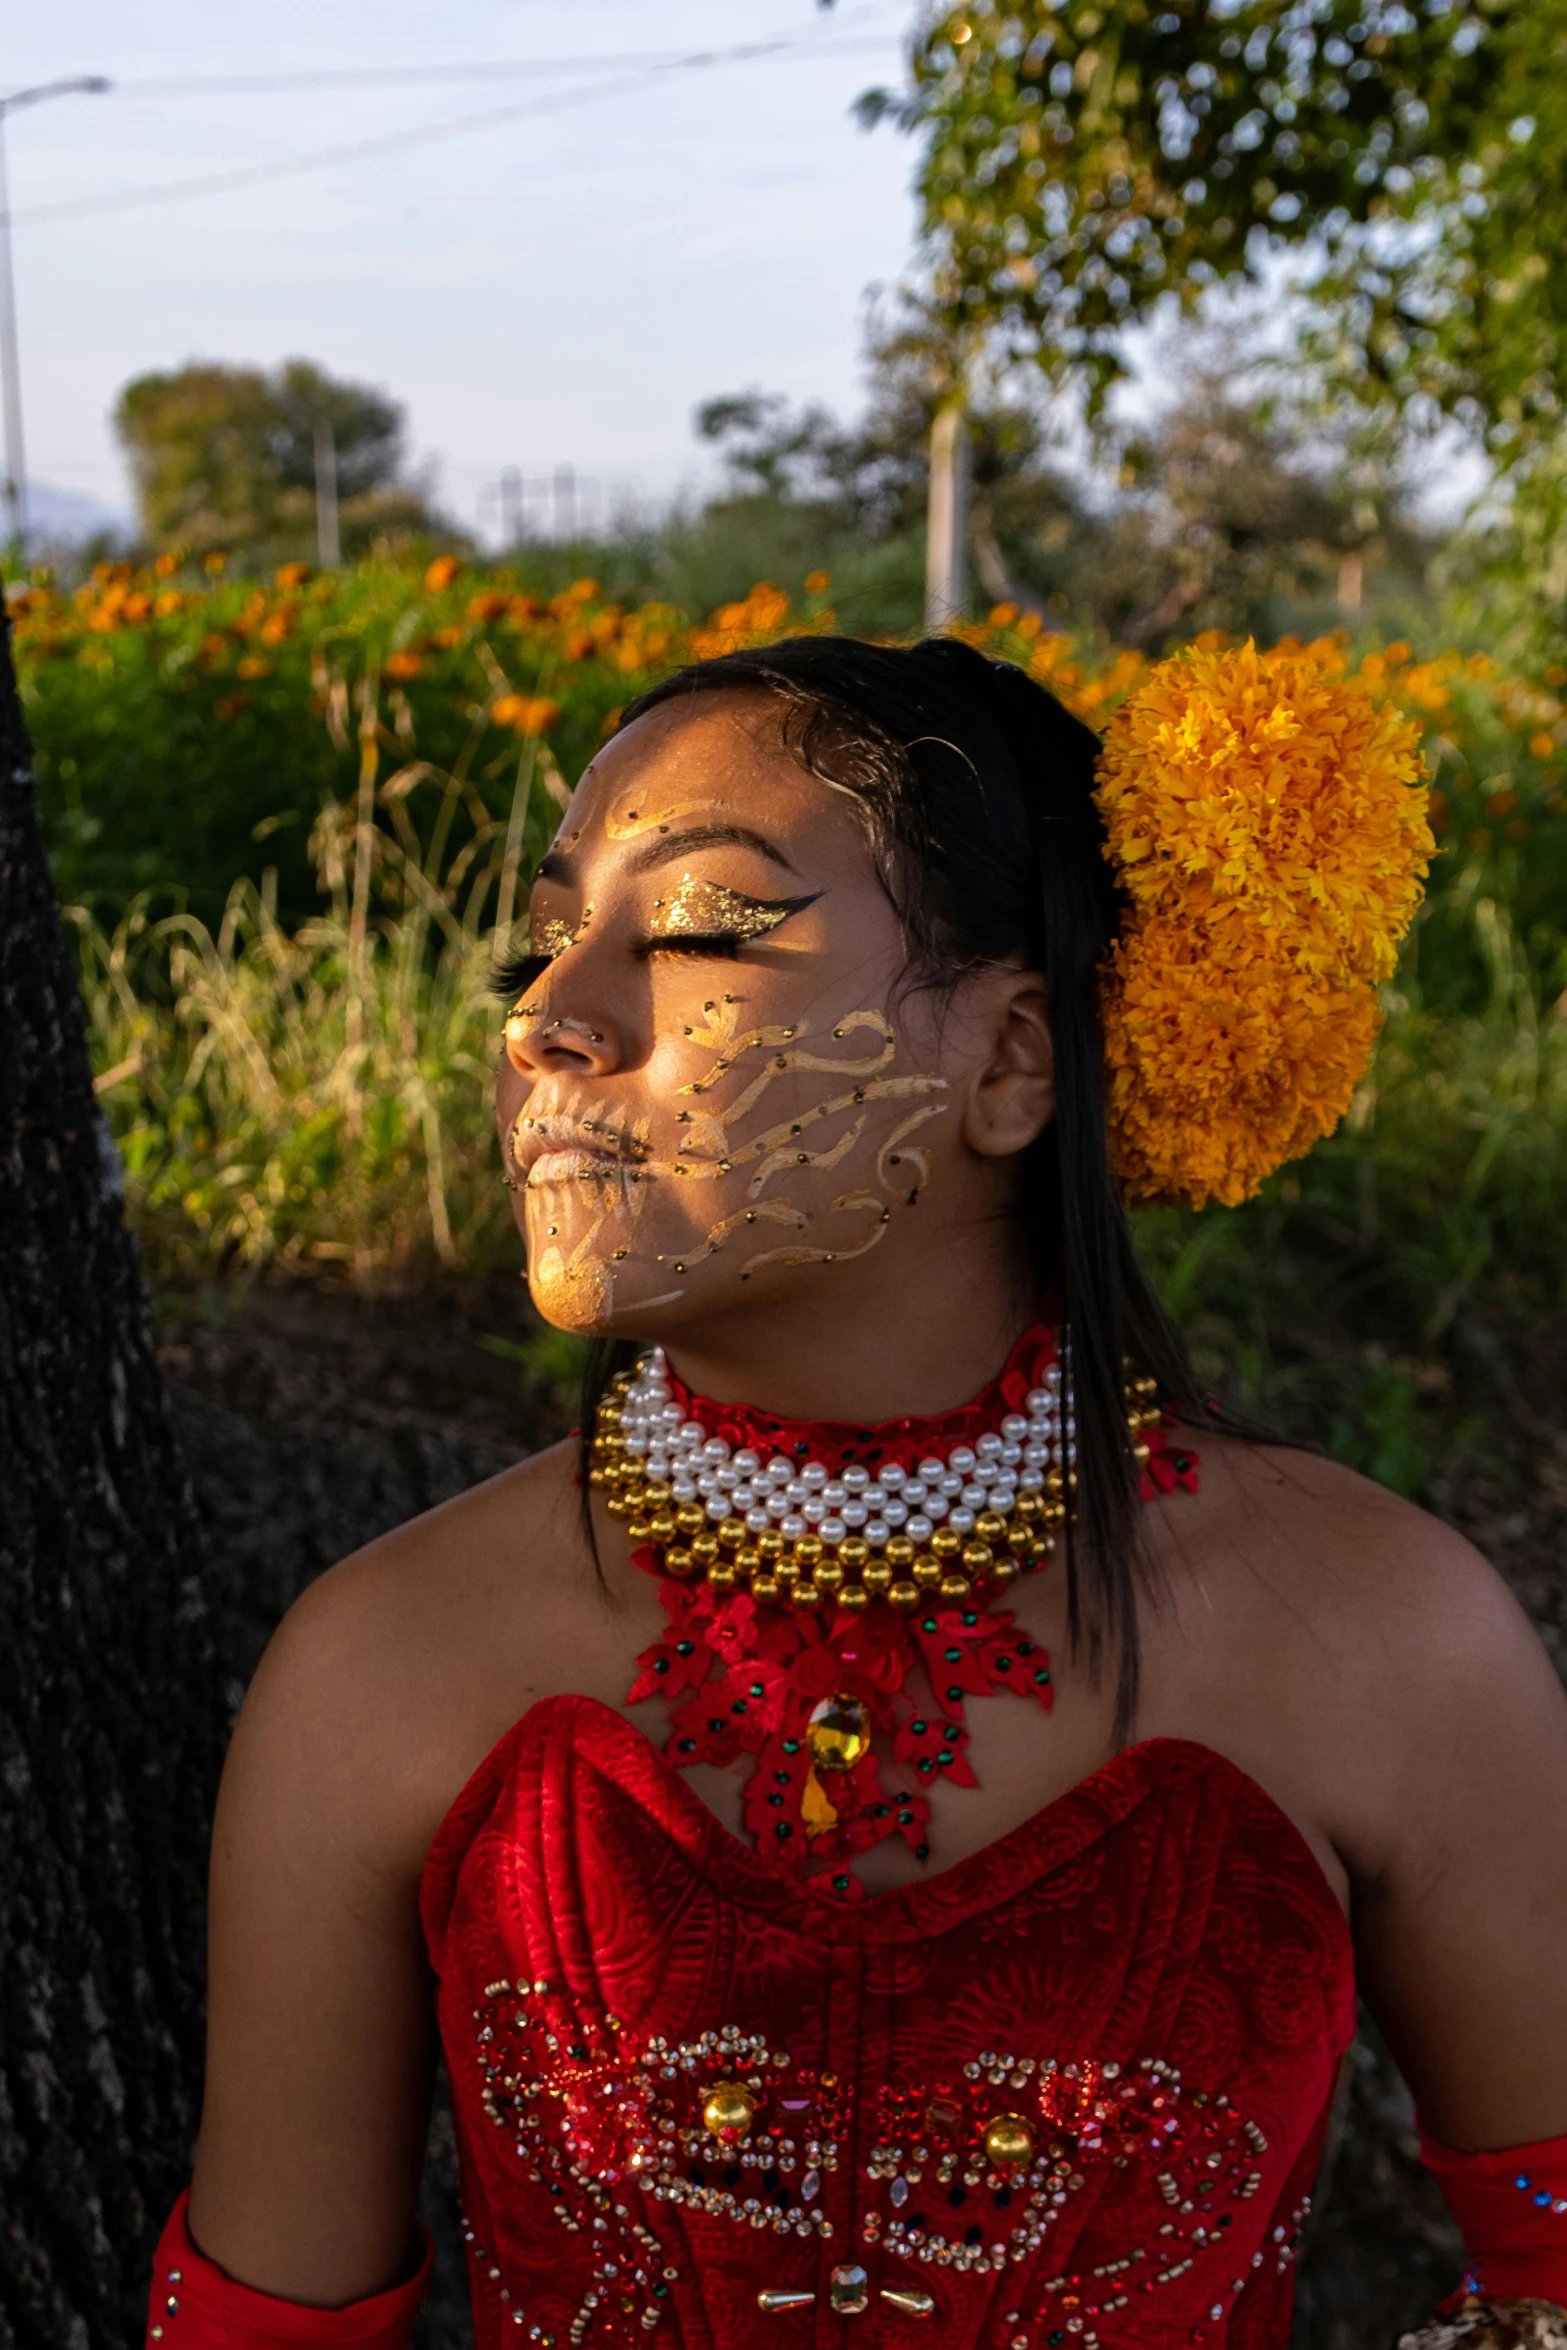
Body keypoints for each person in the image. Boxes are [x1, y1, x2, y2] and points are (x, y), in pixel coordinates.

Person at [148, 636, 1567, 2350]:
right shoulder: (374, 1671)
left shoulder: (1388, 1641)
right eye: (542, 934)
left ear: (1013, 1062)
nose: (546, 1015)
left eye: (699, 929)